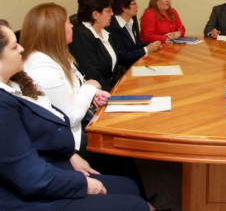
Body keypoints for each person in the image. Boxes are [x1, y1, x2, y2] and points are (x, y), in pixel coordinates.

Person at [0, 20, 150, 211]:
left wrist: (68, 154)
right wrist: (83, 184)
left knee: (129, 186)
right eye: (14, 47)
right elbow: (30, 176)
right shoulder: (4, 104)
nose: (22, 48)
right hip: (28, 198)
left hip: (51, 163)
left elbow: (45, 126)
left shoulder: (15, 82)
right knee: (135, 204)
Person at [21, 3, 110, 151]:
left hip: (83, 122)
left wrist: (92, 92)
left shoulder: (59, 55)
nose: (72, 27)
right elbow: (71, 117)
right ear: (54, 31)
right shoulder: (41, 66)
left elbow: (76, 89)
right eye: (68, 23)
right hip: (70, 139)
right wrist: (90, 88)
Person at [69, 0, 123, 91]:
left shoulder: (104, 30)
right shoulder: (81, 36)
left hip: (113, 89)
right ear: (95, 15)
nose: (112, 14)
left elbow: (114, 68)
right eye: (108, 10)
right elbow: (92, 76)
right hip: (99, 95)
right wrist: (115, 94)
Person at [109, 0, 161, 70]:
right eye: (134, 3)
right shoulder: (113, 27)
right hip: (123, 70)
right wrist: (147, 49)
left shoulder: (132, 19)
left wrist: (151, 44)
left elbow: (136, 45)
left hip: (135, 65)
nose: (137, 6)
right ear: (124, 8)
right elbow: (122, 57)